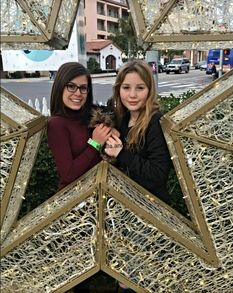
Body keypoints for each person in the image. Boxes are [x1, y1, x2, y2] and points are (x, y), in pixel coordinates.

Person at [104, 59, 171, 293]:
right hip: (123, 211)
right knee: (122, 274)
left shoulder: (155, 122)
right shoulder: (120, 119)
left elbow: (157, 174)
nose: (132, 95)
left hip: (147, 214)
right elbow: (97, 147)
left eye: (140, 88)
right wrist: (99, 142)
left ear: (149, 90)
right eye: (126, 88)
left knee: (137, 280)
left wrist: (122, 153)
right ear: (118, 89)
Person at [47, 62, 112, 191]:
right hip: (76, 200)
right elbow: (68, 175)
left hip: (99, 191)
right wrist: (95, 144)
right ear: (60, 87)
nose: (78, 93)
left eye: (83, 88)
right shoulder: (56, 124)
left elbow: (118, 114)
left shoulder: (90, 113)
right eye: (71, 86)